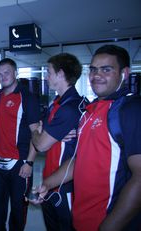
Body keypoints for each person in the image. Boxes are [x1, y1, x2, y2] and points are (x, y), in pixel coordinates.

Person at [31, 45, 141, 231]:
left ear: (125, 73)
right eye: (93, 69)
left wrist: (109, 227)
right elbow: (78, 159)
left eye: (106, 69)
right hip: (81, 218)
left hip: (108, 220)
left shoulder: (131, 110)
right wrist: (48, 184)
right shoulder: (89, 112)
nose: (97, 75)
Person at [31, 53, 86, 231]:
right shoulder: (57, 104)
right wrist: (45, 134)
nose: (46, 77)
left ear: (61, 74)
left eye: (49, 72)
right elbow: (45, 137)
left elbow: (40, 144)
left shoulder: (71, 107)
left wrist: (35, 131)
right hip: (49, 180)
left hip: (65, 186)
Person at [0, 58, 41, 231]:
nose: (3, 77)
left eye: (7, 72)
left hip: (20, 163)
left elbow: (36, 133)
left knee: (18, 209)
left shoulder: (27, 97)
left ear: (16, 73)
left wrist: (30, 162)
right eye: (0, 74)